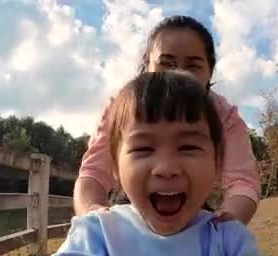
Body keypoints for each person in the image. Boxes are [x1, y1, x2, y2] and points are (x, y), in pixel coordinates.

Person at [5, 71, 278, 256]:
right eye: (143, 149)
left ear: (217, 162)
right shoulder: (103, 232)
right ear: (115, 166)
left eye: (188, 147)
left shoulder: (228, 240)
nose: (166, 168)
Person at [74, 15, 261, 225]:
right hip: (127, 208)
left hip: (193, 209)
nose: (179, 74)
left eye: (193, 66)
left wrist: (226, 230)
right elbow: (93, 173)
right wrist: (92, 219)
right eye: (167, 63)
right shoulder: (122, 107)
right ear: (147, 66)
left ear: (209, 72)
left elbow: (242, 181)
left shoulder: (224, 114)